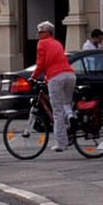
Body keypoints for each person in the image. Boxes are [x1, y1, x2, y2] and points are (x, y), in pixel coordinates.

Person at [35, 20, 77, 152]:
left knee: (57, 111)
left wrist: (33, 77)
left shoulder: (42, 43)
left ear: (47, 32)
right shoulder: (57, 43)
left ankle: (61, 143)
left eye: (40, 32)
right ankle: (71, 116)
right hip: (70, 75)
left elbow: (40, 63)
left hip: (55, 77)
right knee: (66, 103)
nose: (37, 35)